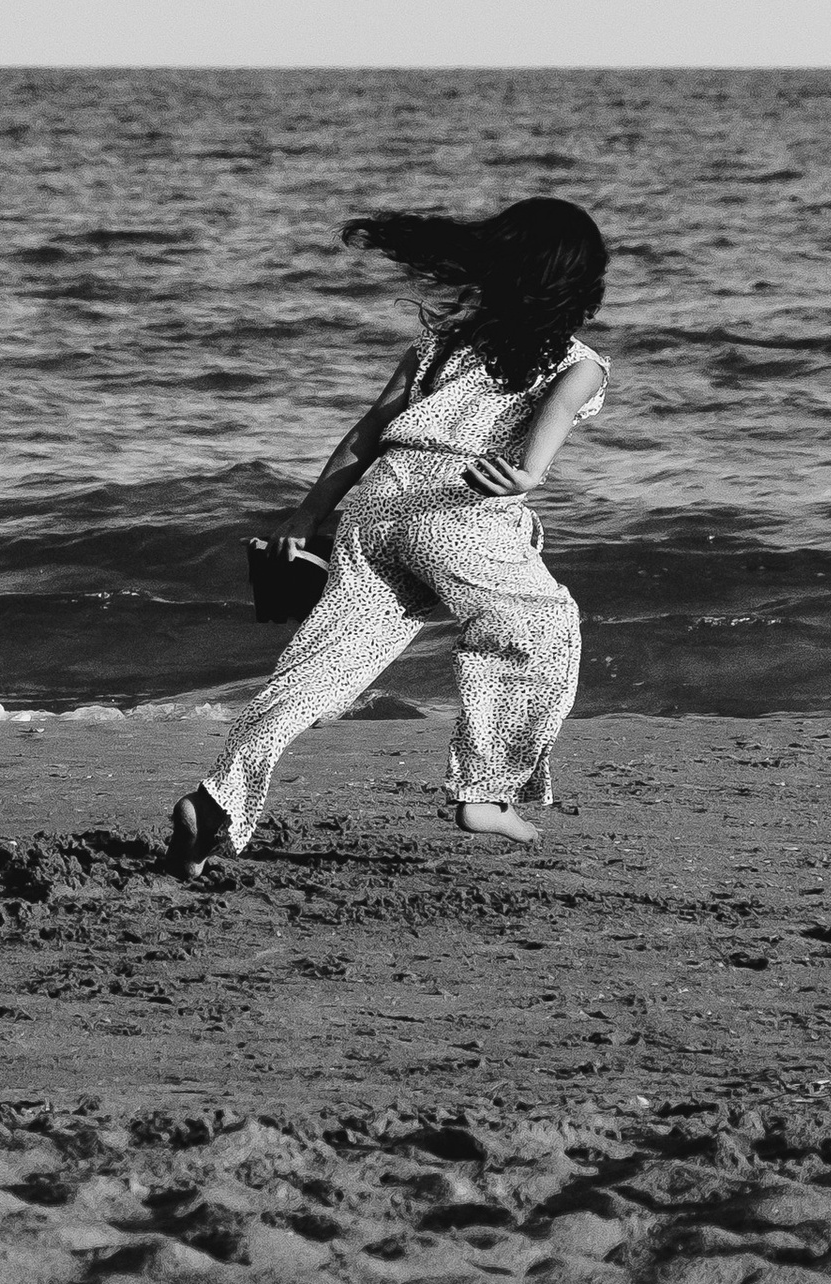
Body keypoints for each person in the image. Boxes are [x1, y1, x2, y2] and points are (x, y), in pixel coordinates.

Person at [168, 196, 611, 875]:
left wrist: (307, 514)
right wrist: (525, 478)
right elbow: (539, 447)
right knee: (542, 626)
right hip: (460, 509)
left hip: (377, 506)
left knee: (321, 668)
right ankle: (485, 792)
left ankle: (216, 800)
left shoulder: (438, 349)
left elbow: (369, 432)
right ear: (577, 287)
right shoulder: (579, 364)